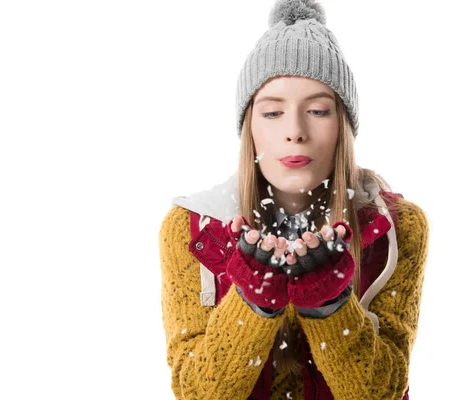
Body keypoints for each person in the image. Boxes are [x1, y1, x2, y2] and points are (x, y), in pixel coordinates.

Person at [158, 0, 430, 399]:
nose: (295, 131)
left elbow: (383, 392)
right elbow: (197, 393)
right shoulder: (191, 228)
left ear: (344, 126)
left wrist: (330, 305)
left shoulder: (398, 227)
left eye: (318, 110)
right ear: (249, 126)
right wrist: (250, 303)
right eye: (272, 113)